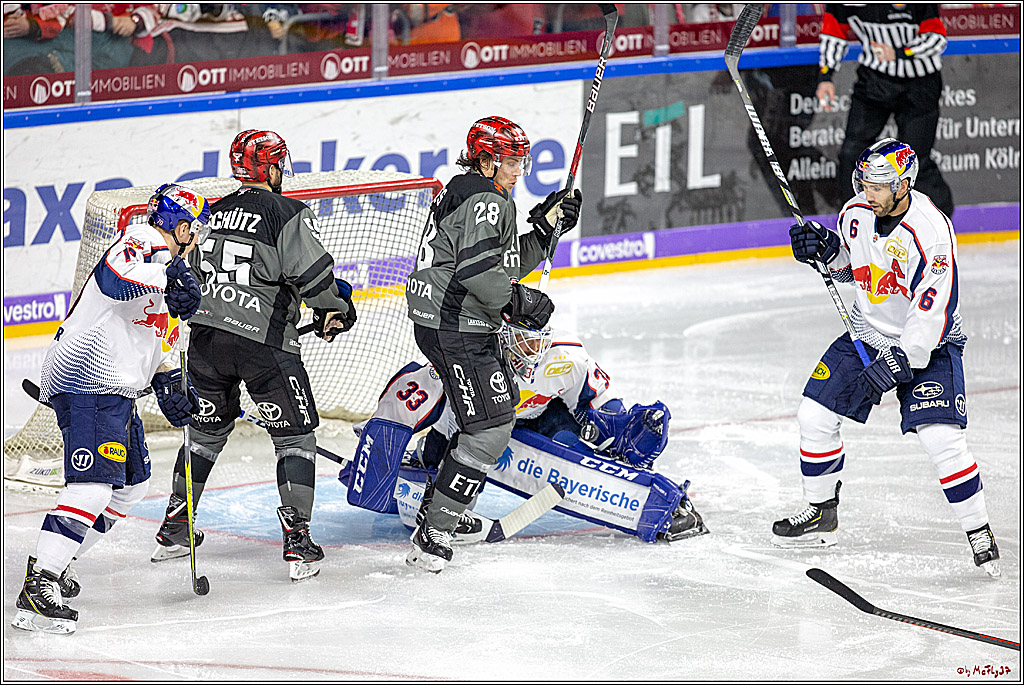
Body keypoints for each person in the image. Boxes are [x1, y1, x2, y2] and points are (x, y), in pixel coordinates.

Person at [775, 138, 1000, 578]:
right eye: (865, 183)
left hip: (929, 345)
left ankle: (979, 531)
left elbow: (934, 305)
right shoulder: (855, 213)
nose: (868, 193)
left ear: (903, 185)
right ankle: (821, 510)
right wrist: (825, 250)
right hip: (868, 334)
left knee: (941, 439)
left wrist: (905, 357)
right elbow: (855, 271)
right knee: (814, 415)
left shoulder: (930, 229)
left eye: (878, 186)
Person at [151, 129, 357, 583]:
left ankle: (175, 526)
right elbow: (314, 279)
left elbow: (187, 273)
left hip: (205, 342)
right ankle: (298, 540)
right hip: (264, 347)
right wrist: (335, 309)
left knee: (203, 435)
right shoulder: (287, 213)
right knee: (295, 439)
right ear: (272, 167)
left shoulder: (210, 212)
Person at [13, 184, 208, 634]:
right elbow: (114, 278)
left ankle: (56, 561)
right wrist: (171, 276)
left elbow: (156, 346)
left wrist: (172, 387)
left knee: (129, 489)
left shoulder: (170, 275)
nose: (196, 237)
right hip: (87, 379)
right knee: (94, 488)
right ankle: (39, 584)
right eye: (193, 228)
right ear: (180, 226)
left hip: (116, 390)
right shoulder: (145, 238)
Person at [403, 115, 582, 572]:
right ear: (485, 160)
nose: (518, 170)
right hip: (456, 325)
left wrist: (542, 231)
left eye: (522, 161)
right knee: (490, 427)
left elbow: (498, 262)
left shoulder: (471, 191)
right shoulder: (485, 198)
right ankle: (434, 530)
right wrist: (520, 302)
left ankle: (439, 509)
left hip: (445, 320)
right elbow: (480, 273)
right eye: (510, 161)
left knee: (483, 417)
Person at [345, 321, 708, 543]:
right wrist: (381, 446)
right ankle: (430, 476)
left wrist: (614, 429)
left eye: (537, 341)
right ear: (502, 337)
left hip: (537, 420)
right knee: (450, 491)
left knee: (583, 443)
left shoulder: (565, 355)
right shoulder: (469, 356)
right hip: (470, 430)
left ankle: (637, 493)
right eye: (523, 341)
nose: (532, 351)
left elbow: (600, 399)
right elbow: (407, 399)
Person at [816, 4, 954, 218]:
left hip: (920, 84)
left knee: (915, 160)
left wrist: (900, 52)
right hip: (875, 80)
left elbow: (936, 39)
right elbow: (834, 34)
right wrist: (826, 77)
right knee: (852, 153)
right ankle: (854, 218)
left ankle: (939, 220)